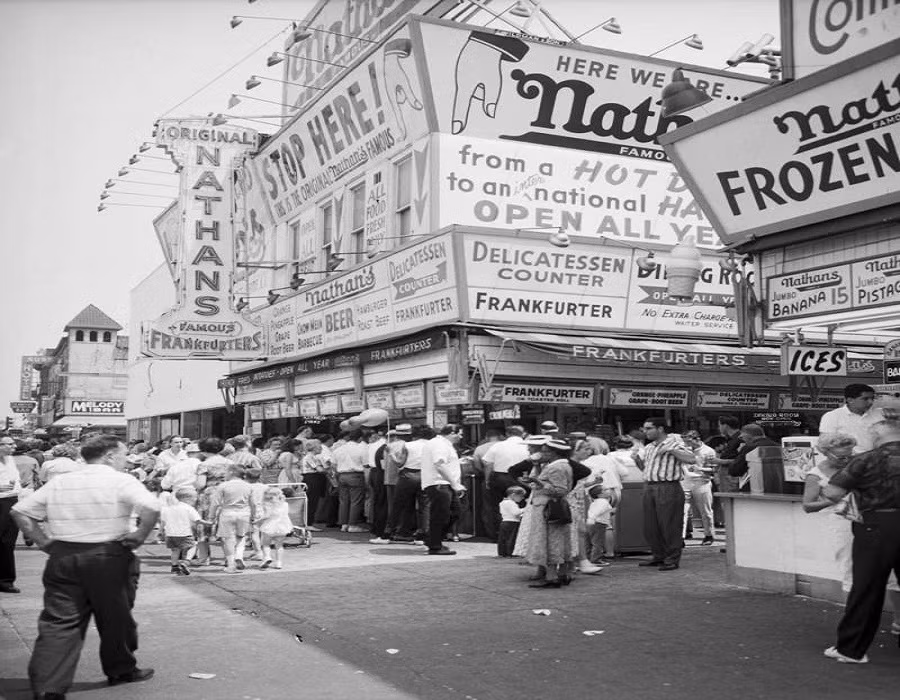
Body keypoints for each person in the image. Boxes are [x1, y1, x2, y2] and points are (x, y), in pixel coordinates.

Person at [10, 435, 160, 696]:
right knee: (116, 617)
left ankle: (48, 687)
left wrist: (44, 542)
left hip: (64, 556)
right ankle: (121, 668)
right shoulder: (121, 480)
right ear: (110, 456)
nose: (126, 460)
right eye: (123, 455)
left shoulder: (62, 481)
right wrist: (140, 534)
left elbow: (20, 511)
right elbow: (151, 507)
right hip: (109, 556)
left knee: (59, 622)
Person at [822, 419, 900, 663]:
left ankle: (852, 649)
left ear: (875, 436)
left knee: (867, 587)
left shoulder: (866, 459)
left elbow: (833, 492)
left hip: (877, 525)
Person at [639, 417, 696, 571]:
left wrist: (672, 450)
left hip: (668, 486)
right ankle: (659, 555)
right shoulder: (649, 447)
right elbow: (647, 468)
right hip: (650, 486)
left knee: (670, 524)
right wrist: (637, 460)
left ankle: (671, 559)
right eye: (644, 428)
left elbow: (691, 459)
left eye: (649, 428)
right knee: (651, 526)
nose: (645, 432)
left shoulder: (675, 443)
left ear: (660, 429)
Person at [522, 439, 574, 588]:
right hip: (553, 507)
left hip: (548, 508)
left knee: (550, 541)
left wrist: (540, 483)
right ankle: (563, 573)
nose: (542, 454)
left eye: (545, 452)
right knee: (560, 540)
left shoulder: (556, 468)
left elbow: (560, 490)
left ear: (554, 453)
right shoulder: (561, 465)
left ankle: (552, 577)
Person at [421, 424, 466, 555]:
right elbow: (439, 464)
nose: (461, 437)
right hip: (439, 483)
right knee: (441, 516)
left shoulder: (443, 444)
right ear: (452, 433)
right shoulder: (439, 444)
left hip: (444, 484)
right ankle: (435, 545)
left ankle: (433, 540)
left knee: (455, 512)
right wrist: (454, 483)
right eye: (460, 434)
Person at [482, 426, 529, 540]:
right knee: (522, 505)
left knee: (498, 506)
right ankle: (519, 535)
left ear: (507, 434)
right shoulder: (527, 446)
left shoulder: (498, 445)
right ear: (523, 434)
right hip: (521, 478)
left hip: (500, 477)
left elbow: (488, 464)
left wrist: (487, 480)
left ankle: (499, 534)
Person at [209, 463, 255, 573]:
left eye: (226, 472)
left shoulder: (223, 486)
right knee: (241, 536)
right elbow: (253, 504)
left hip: (227, 513)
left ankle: (231, 564)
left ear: (231, 472)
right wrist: (253, 516)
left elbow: (215, 503)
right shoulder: (248, 486)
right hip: (244, 513)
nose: (224, 474)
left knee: (228, 539)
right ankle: (239, 555)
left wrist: (211, 516)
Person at [819, 383, 884, 454]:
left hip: (876, 457)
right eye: (865, 399)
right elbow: (826, 443)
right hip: (847, 458)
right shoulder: (832, 416)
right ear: (850, 400)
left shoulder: (880, 414)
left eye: (872, 398)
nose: (871, 402)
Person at [680, 430, 716, 545]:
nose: (686, 444)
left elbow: (713, 469)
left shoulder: (708, 451)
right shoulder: (682, 450)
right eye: (685, 441)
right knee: (682, 511)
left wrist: (700, 469)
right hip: (685, 481)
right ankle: (681, 537)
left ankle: (709, 535)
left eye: (689, 441)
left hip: (702, 482)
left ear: (697, 439)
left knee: (705, 511)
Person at [161, 487, 204, 576]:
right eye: (194, 498)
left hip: (170, 534)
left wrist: (160, 531)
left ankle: (174, 566)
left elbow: (163, 521)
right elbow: (198, 520)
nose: (195, 500)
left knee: (175, 550)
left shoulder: (169, 508)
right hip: (184, 533)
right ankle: (186, 562)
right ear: (187, 498)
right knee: (193, 546)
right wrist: (209, 523)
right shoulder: (189, 508)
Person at [332, 430, 369, 533]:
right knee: (356, 501)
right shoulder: (362, 449)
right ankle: (353, 524)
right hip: (356, 475)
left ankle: (344, 524)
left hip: (341, 475)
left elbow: (333, 465)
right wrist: (367, 481)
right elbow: (366, 465)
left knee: (343, 501)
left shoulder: (339, 449)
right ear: (360, 438)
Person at [0, 435, 23, 593]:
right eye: (9, 444)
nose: (14, 447)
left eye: (13, 444)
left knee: (7, 542)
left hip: (10, 501)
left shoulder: (10, 460)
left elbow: (15, 480)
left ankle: (5, 580)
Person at [471, 428, 502, 540]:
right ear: (500, 436)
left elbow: (477, 465)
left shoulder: (480, 448)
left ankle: (492, 533)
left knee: (489, 507)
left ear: (486, 437)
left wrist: (484, 472)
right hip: (507, 477)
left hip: (488, 478)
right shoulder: (504, 445)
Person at [256, 486, 294, 570]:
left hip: (270, 526)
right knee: (279, 546)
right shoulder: (285, 504)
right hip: (282, 526)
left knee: (265, 544)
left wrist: (257, 521)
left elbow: (267, 516)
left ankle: (267, 557)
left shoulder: (268, 504)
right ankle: (279, 563)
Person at [585, 484, 614, 564]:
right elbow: (598, 511)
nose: (608, 490)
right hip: (599, 523)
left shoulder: (595, 502)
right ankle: (596, 559)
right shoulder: (603, 502)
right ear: (600, 494)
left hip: (591, 523)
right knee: (598, 542)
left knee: (589, 542)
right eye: (605, 490)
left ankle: (587, 559)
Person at [497, 485, 526, 557]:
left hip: (504, 521)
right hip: (512, 522)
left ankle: (502, 552)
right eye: (521, 496)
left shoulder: (503, 502)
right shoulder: (511, 503)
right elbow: (516, 513)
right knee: (511, 538)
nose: (522, 498)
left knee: (503, 538)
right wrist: (525, 509)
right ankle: (510, 552)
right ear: (513, 495)